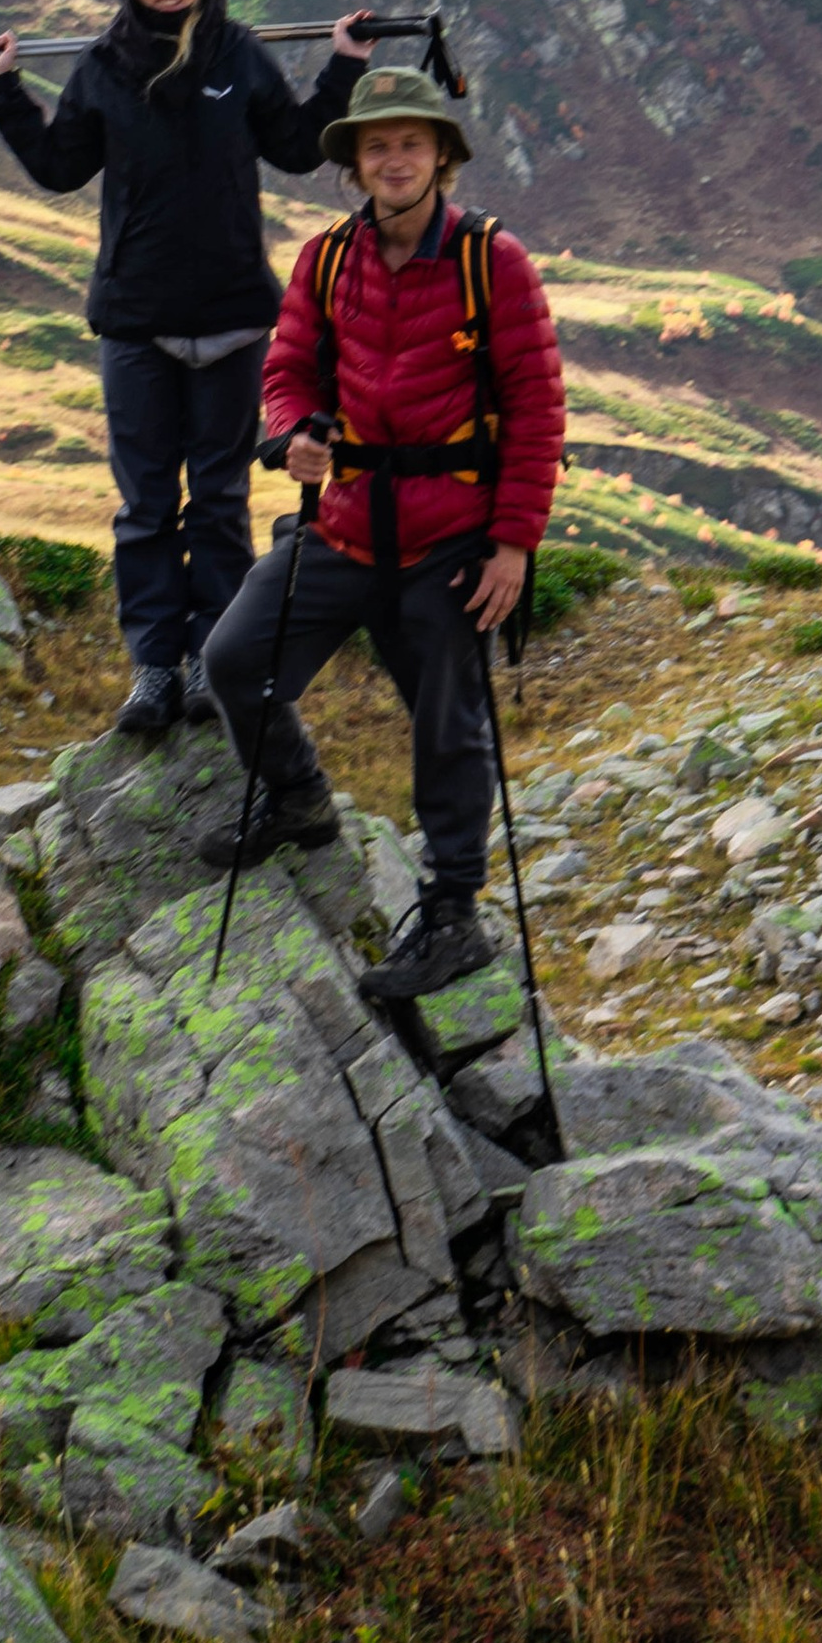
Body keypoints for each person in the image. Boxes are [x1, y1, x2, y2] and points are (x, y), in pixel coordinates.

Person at [197, 64, 566, 1004]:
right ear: (354, 166)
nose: (394, 159)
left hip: (452, 541)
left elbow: (536, 408)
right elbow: (286, 370)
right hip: (344, 525)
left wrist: (514, 542)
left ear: (441, 156)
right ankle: (299, 799)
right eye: (376, 146)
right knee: (236, 660)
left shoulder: (494, 261)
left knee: (448, 729)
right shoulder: (326, 259)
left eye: (411, 142)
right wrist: (293, 435)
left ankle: (452, 916)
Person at [0, 0, 371, 739]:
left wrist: (343, 67)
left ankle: (209, 663)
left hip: (232, 318)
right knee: (147, 507)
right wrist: (5, 88)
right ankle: (154, 668)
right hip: (136, 323)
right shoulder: (102, 69)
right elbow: (58, 166)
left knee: (219, 502)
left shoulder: (241, 57)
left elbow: (299, 147)